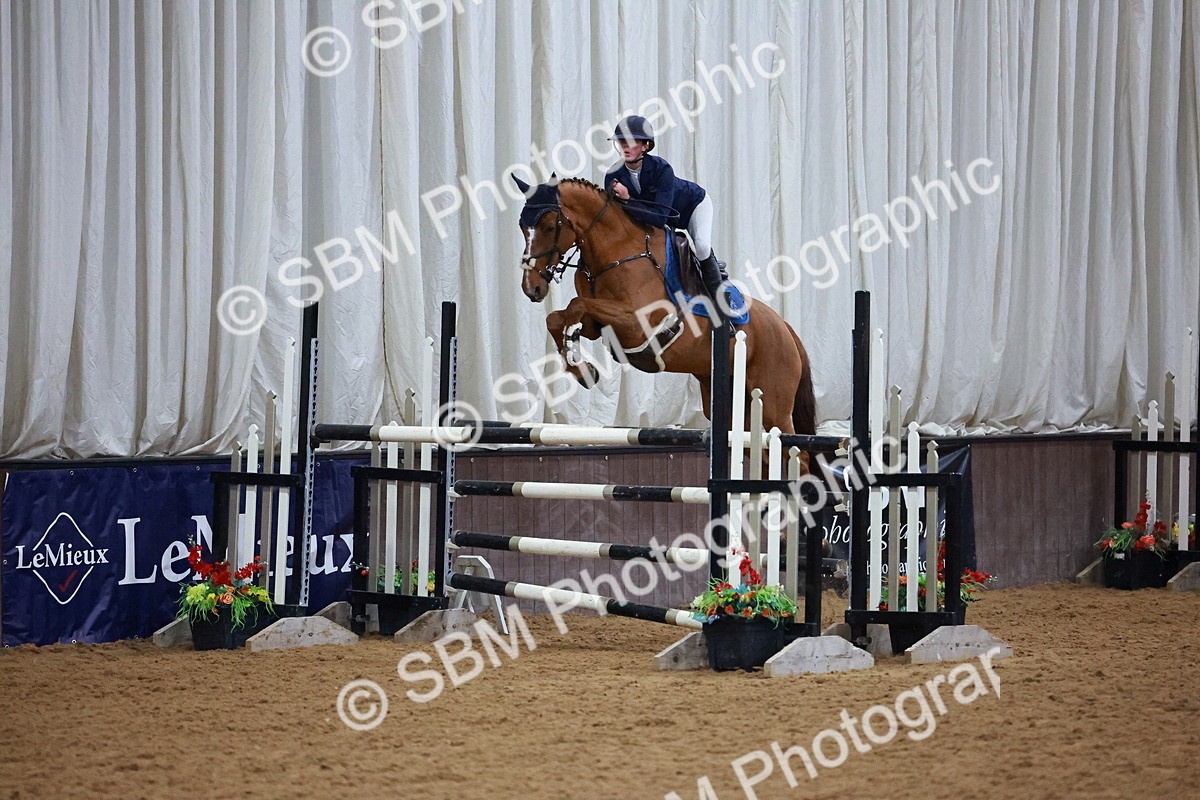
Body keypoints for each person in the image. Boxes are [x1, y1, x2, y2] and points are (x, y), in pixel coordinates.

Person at [604, 115, 726, 300]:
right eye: (622, 142)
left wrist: (628, 199)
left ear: (646, 145)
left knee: (701, 246)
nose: (625, 147)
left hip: (692, 207)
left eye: (632, 142)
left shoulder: (662, 169)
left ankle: (721, 303)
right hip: (663, 220)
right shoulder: (613, 176)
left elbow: (660, 217)